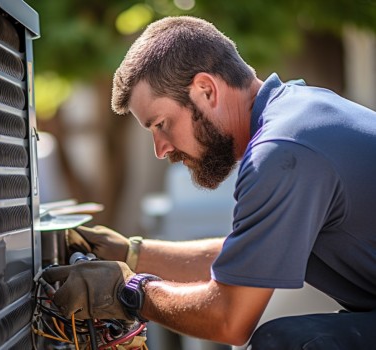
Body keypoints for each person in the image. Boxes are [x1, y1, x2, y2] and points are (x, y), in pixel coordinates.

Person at [43, 16, 376, 348]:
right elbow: (246, 257)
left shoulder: (283, 151)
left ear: (206, 90)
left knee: (286, 342)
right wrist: (131, 253)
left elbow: (229, 318)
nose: (160, 150)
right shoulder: (298, 115)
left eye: (161, 124)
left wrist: (128, 290)